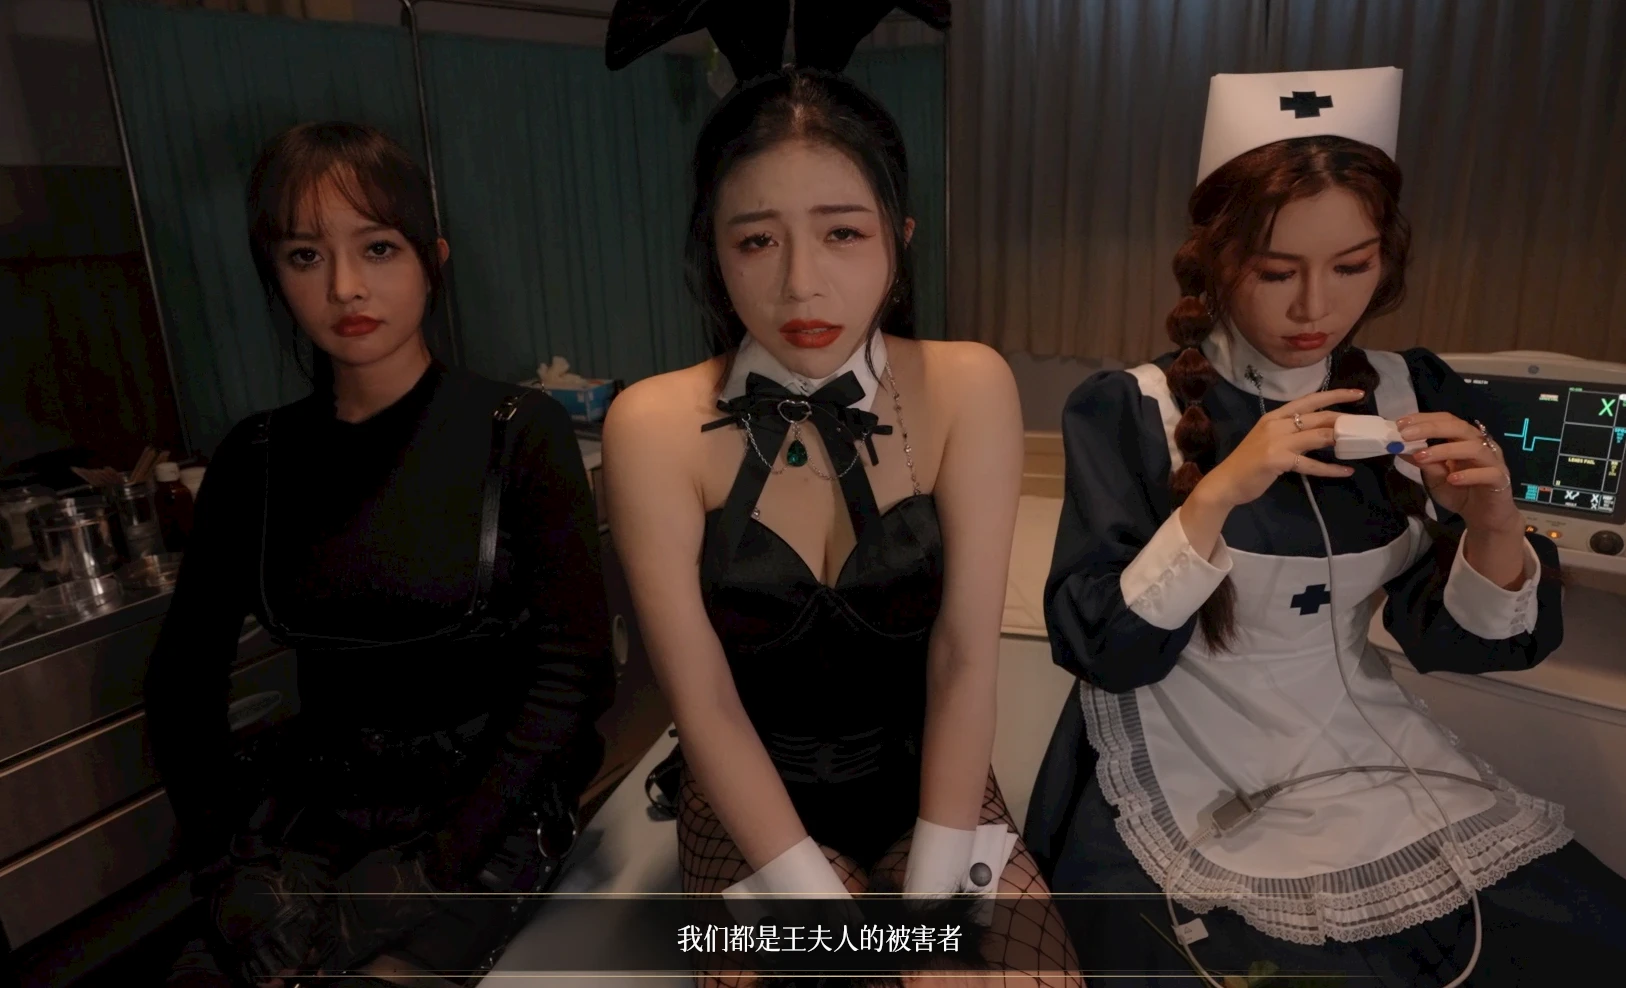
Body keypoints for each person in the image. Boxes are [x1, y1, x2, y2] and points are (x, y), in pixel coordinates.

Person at [1022, 67, 1626, 986]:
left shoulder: (1411, 390)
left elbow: (1452, 644)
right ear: (1214, 260)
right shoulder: (1131, 409)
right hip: (1187, 754)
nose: (1315, 308)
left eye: (1352, 266)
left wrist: (1494, 523)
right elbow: (1104, 647)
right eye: (1275, 272)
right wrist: (1217, 494)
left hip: (1365, 746)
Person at [601, 2, 1078, 985]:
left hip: (934, 786)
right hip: (748, 807)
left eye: (844, 233)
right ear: (711, 249)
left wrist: (933, 911)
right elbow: (704, 702)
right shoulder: (651, 424)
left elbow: (963, 660)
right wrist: (847, 937)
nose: (802, 286)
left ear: (900, 239)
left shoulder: (969, 386)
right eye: (756, 241)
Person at [145, 121, 616, 986]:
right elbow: (182, 683)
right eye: (305, 256)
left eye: (378, 248)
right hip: (316, 813)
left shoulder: (517, 431)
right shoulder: (254, 459)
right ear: (274, 277)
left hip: (485, 813)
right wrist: (225, 864)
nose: (345, 286)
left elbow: (571, 670)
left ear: (432, 260)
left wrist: (437, 866)